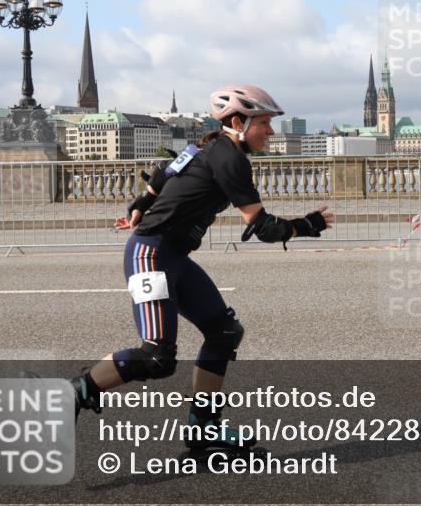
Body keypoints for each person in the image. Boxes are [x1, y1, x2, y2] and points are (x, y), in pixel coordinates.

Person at [70, 85, 333, 457]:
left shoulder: (204, 147)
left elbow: (164, 173)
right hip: (150, 254)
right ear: (239, 122)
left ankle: (204, 428)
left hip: (173, 256)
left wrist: (140, 203)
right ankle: (76, 392)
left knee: (224, 332)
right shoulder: (229, 158)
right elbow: (264, 228)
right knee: (157, 356)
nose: (271, 132)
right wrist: (307, 225)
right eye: (265, 123)